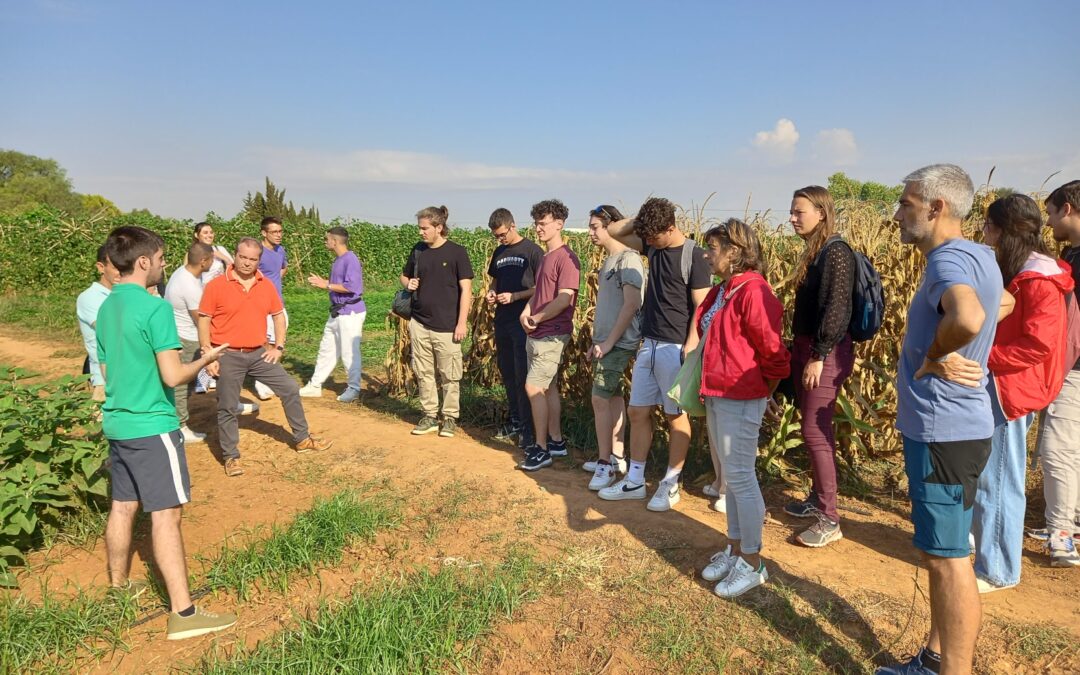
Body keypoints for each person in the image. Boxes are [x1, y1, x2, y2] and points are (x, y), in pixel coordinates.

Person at [877, 164, 1004, 675]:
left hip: (941, 430)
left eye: (906, 203)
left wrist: (934, 353)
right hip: (961, 427)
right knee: (943, 553)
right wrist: (977, 350)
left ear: (936, 208)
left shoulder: (949, 261)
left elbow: (969, 316)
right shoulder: (981, 257)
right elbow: (1002, 304)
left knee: (950, 561)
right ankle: (933, 660)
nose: (897, 214)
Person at [95, 225, 236, 640]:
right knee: (167, 514)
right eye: (158, 259)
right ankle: (184, 612)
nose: (161, 265)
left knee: (123, 506)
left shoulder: (107, 307)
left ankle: (117, 589)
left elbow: (105, 371)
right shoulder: (153, 309)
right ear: (142, 262)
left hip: (118, 422)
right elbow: (173, 374)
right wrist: (206, 358)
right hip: (153, 425)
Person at [970, 194, 1071, 590]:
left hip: (1011, 388)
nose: (985, 234)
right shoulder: (1022, 271)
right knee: (987, 474)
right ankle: (985, 549)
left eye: (990, 226)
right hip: (1002, 383)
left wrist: (984, 356)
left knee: (998, 478)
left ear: (1005, 231)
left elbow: (1037, 345)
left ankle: (998, 570)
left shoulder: (1039, 280)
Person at [598, 197, 712, 511]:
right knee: (638, 412)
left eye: (654, 235)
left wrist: (691, 344)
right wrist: (644, 218)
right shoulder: (654, 247)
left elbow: (702, 306)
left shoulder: (694, 255)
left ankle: (670, 483)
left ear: (671, 228)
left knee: (675, 416)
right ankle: (635, 479)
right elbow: (616, 230)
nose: (647, 242)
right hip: (649, 344)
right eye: (646, 237)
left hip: (675, 347)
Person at [696, 219, 789, 598]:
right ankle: (735, 549)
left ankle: (752, 561)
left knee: (741, 476)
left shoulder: (754, 291)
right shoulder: (725, 290)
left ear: (734, 251)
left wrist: (764, 393)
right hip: (718, 394)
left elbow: (773, 353)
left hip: (740, 396)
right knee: (731, 479)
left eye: (713, 248)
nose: (707, 254)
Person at [198, 238, 332, 477]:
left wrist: (278, 347)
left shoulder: (265, 285)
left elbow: (279, 316)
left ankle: (301, 439)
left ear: (259, 260)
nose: (247, 263)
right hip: (227, 353)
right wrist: (208, 355)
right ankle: (231, 457)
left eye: (253, 259)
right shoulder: (216, 285)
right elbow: (204, 319)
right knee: (228, 406)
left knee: (290, 388)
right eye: (243, 257)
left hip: (259, 353)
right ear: (235, 256)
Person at [783, 186, 856, 548]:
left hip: (823, 351)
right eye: (792, 212)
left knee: (814, 430)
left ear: (822, 213)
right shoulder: (817, 251)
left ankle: (830, 517)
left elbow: (837, 307)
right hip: (808, 347)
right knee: (812, 425)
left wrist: (819, 354)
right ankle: (817, 499)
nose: (792, 218)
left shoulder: (836, 253)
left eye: (799, 212)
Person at [518, 199, 582, 471]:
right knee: (549, 386)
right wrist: (526, 310)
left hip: (551, 334)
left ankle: (540, 449)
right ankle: (555, 441)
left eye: (542, 223)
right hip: (537, 331)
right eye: (536, 223)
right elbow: (540, 293)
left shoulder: (567, 258)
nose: (537, 228)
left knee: (533, 388)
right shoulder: (545, 257)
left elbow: (564, 299)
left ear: (559, 223)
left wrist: (538, 317)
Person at [400, 206, 474, 438]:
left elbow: (467, 290)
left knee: (450, 375)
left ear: (438, 227)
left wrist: (462, 323)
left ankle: (450, 417)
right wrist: (407, 283)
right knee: (423, 372)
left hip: (448, 326)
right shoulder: (419, 251)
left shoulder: (457, 253)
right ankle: (429, 415)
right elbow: (404, 275)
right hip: (419, 323)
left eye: (425, 228)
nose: (421, 232)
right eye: (420, 228)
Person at [584, 205, 643, 489]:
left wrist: (608, 343)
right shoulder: (610, 260)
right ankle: (616, 456)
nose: (591, 232)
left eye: (596, 226)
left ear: (612, 226)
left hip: (618, 343)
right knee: (614, 398)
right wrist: (598, 342)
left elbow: (632, 305)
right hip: (606, 343)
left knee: (599, 398)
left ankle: (605, 463)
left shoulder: (628, 260)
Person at [1040, 179, 1080, 567]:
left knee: (1057, 451)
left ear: (1067, 208)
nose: (1049, 221)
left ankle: (1061, 534)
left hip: (1074, 369)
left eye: (1051, 212)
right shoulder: (1073, 254)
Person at [485, 208, 543, 448]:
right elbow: (494, 281)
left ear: (512, 225)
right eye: (496, 236)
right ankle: (516, 420)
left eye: (502, 234)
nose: (500, 239)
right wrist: (491, 293)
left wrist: (516, 296)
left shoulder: (532, 252)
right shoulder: (499, 253)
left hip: (523, 322)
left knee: (522, 374)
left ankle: (528, 428)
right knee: (507, 371)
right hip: (503, 320)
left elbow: (542, 288)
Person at [299, 227, 367, 403]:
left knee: (349, 351)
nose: (325, 241)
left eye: (326, 239)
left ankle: (353, 388)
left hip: (350, 312)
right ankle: (315, 385)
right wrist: (327, 283)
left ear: (335, 241)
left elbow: (352, 287)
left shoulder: (350, 260)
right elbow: (339, 284)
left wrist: (326, 285)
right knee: (326, 348)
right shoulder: (338, 260)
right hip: (337, 311)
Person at [164, 241, 214, 443]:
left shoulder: (182, 273)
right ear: (203, 261)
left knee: (187, 382)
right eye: (211, 259)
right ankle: (180, 426)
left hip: (181, 334)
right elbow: (201, 319)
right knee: (182, 384)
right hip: (187, 338)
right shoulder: (189, 286)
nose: (213, 263)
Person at [76, 245, 118, 402]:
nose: (121, 272)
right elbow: (110, 333)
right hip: (105, 380)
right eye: (115, 267)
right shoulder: (90, 297)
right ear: (101, 267)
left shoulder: (126, 294)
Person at [254, 216, 288, 401]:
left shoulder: (281, 250)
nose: (278, 235)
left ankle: (270, 378)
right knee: (264, 341)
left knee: (278, 342)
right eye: (274, 232)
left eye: (280, 231)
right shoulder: (257, 252)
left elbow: (283, 268)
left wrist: (275, 281)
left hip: (278, 302)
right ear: (264, 233)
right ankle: (261, 382)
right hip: (260, 304)